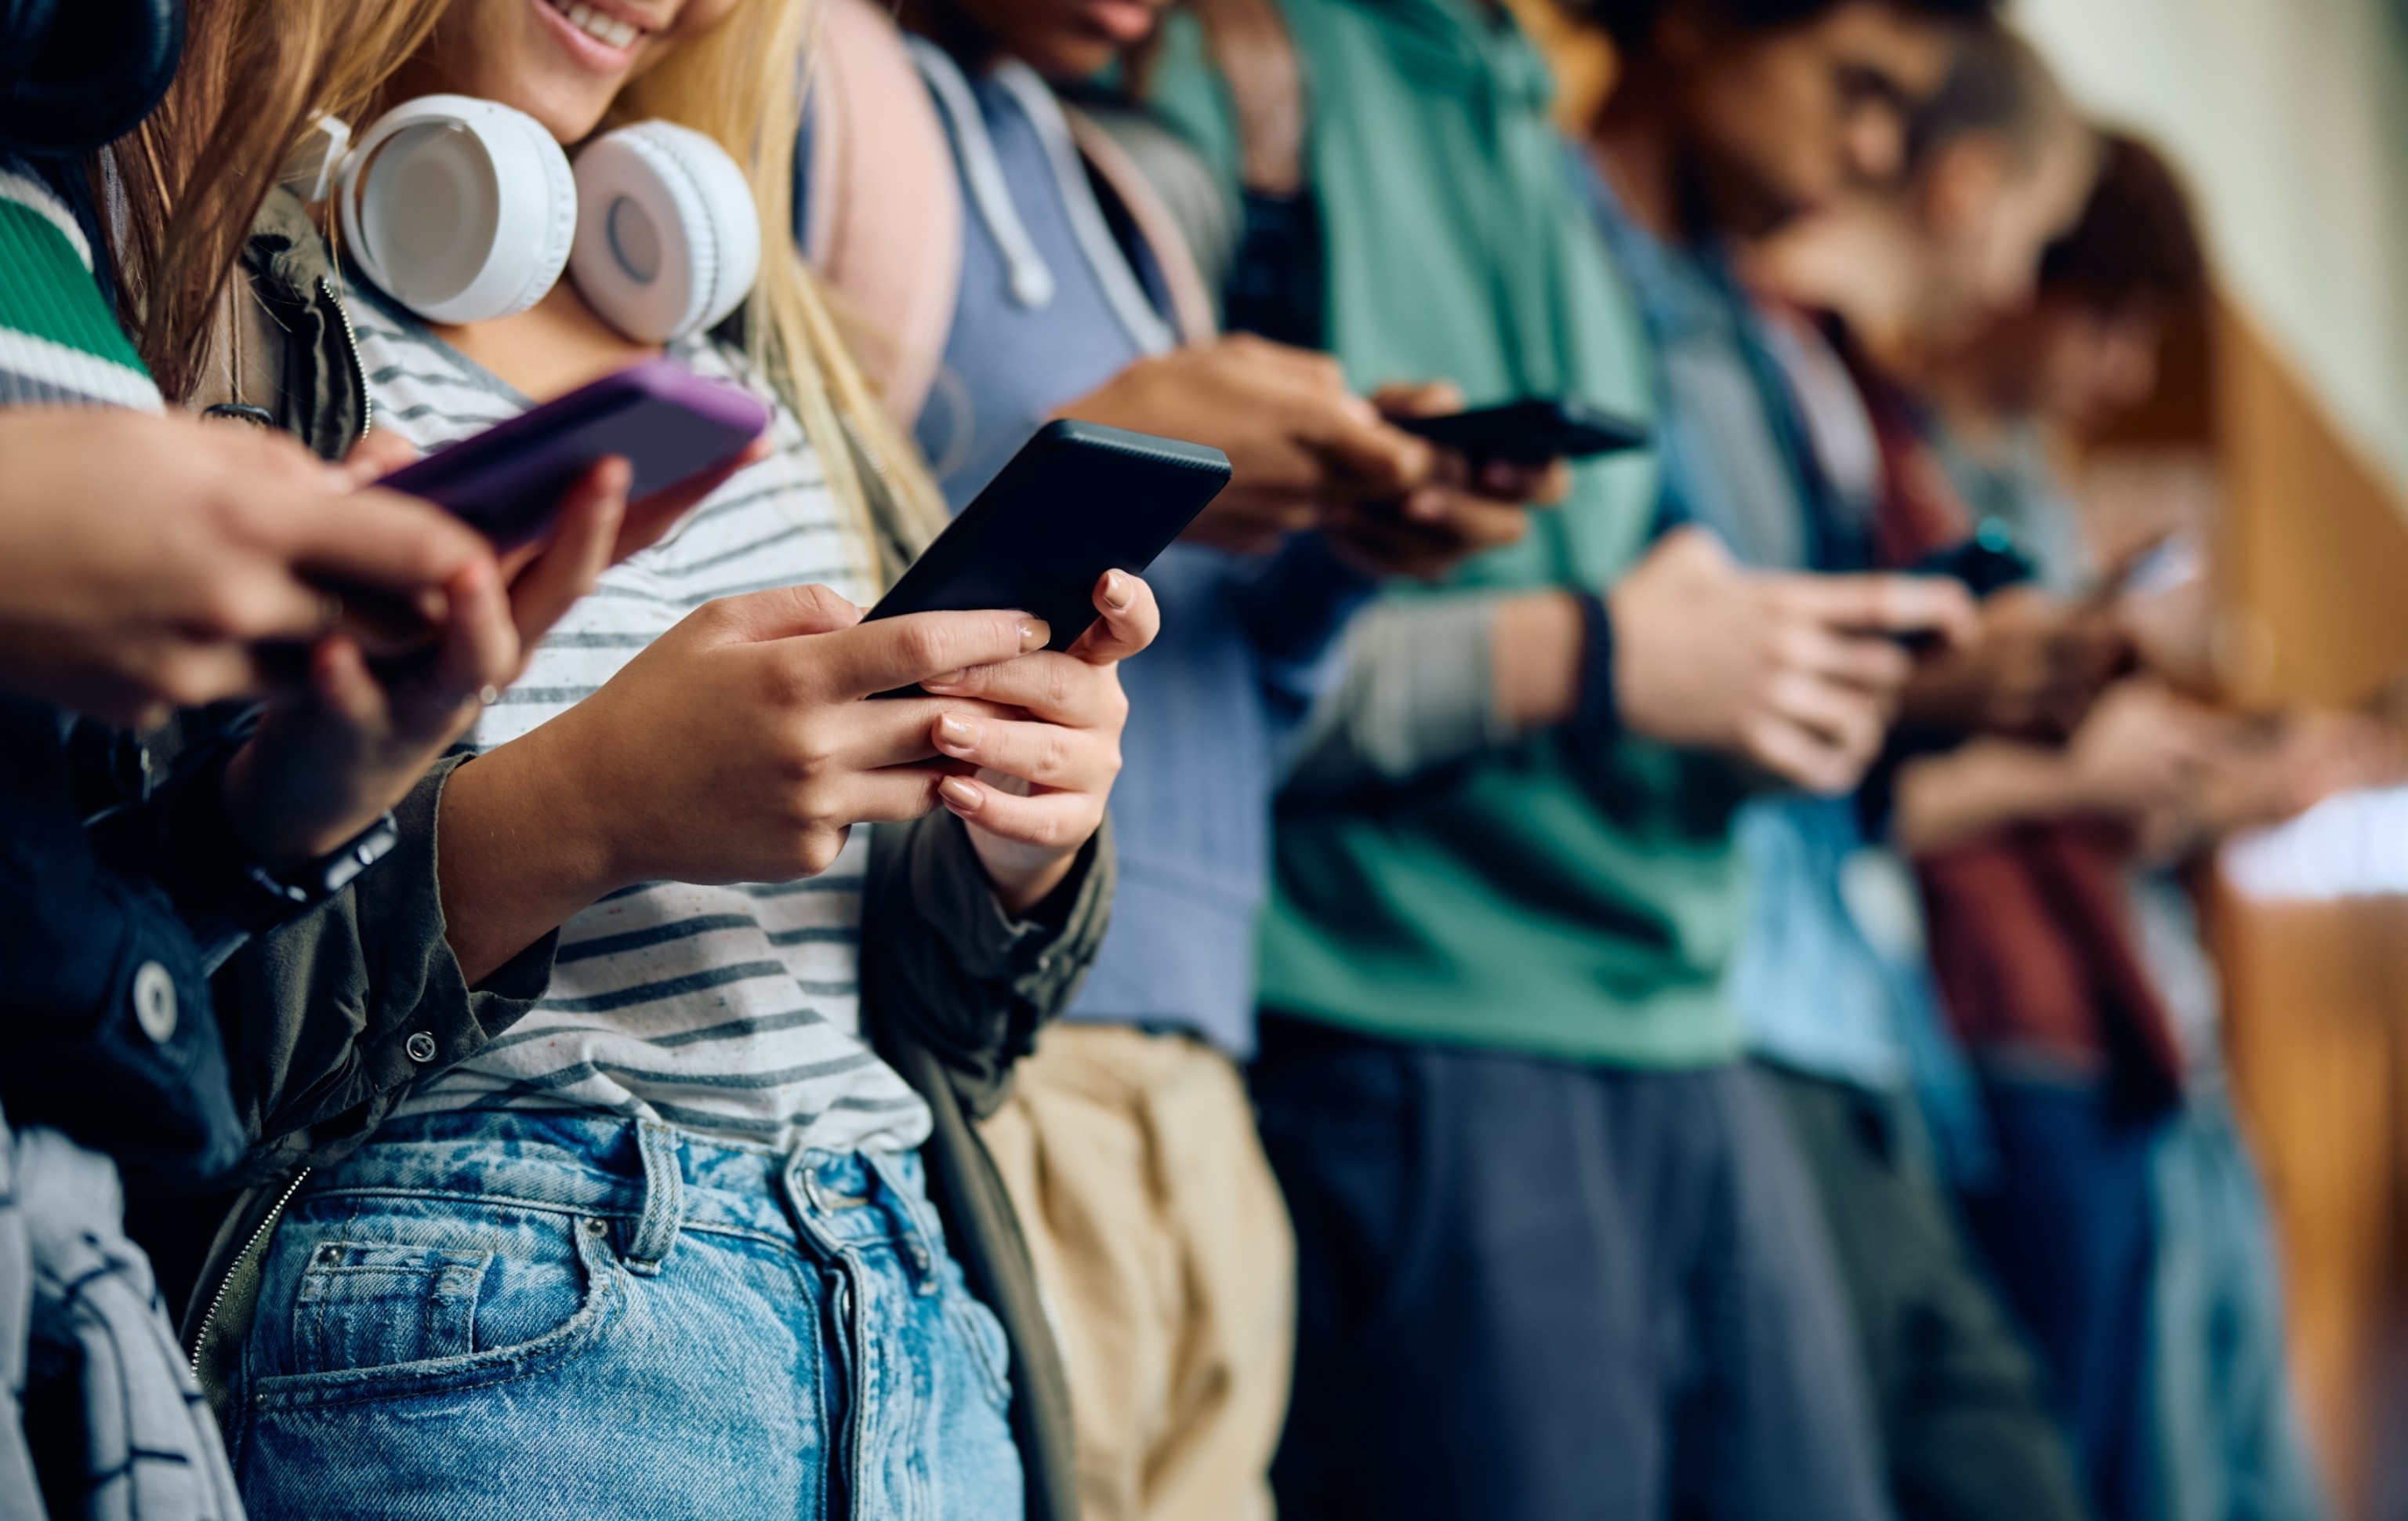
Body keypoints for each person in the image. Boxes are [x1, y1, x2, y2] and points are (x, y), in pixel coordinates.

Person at [174, 0, 1153, 1516]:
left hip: (916, 1328)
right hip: (496, 1335)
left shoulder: (757, 354)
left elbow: (948, 1035)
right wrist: (585, 810)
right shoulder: (213, 314)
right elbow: (143, 1005)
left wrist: (1014, 845)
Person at [1143, 1, 1985, 1515]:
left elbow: (1644, 618)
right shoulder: (1234, 75)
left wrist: (1778, 682)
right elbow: (1159, 679)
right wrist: (1599, 658)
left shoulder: (1549, 159)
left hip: (1681, 1030)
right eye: (1853, 83)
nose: (1870, 150)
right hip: (1417, 1033)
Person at [797, 0, 1558, 1514]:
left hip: (1207, 1069)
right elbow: (793, 566)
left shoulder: (1127, 197)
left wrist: (1347, 554)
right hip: (1000, 1046)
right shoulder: (827, 101)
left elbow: (1236, 696)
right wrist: (1104, 436)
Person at [1571, 15, 2103, 1521]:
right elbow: (1689, 663)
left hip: (1853, 1021)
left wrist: (1931, 695)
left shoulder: (1750, 340)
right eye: (1859, 93)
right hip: (1725, 1003)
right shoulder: (1607, 276)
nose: (1874, 151)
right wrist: (1925, 698)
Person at [1901, 132, 2350, 1521]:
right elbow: (1902, 788)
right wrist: (2084, 774)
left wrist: (2207, 778)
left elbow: (2083, 786)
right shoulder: (1902, 468)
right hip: (2004, 1041)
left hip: (2129, 1033)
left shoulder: (2028, 480)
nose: (2126, 374)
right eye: (2112, 322)